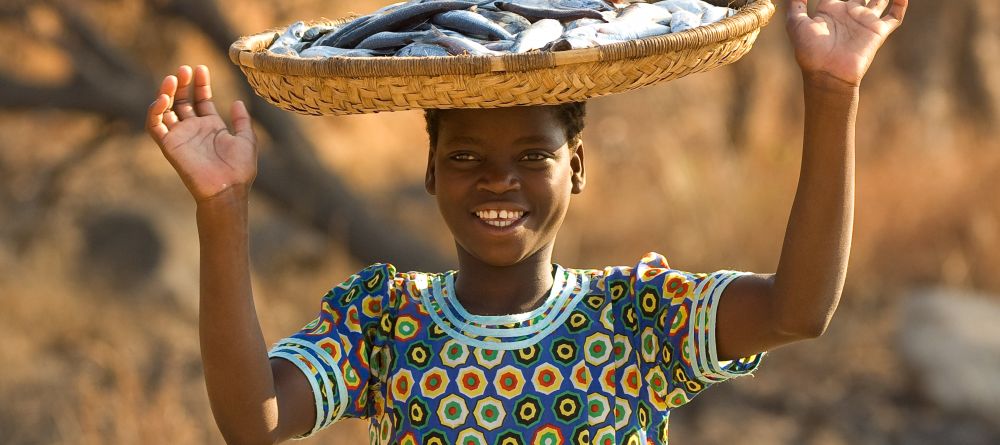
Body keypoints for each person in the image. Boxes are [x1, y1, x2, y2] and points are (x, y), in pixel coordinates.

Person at [145, 0, 908, 443]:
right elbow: (255, 420)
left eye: (533, 156)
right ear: (430, 171)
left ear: (576, 167)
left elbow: (798, 310)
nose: (498, 180)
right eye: (468, 155)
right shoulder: (385, 318)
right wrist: (222, 207)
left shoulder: (639, 317)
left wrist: (832, 91)